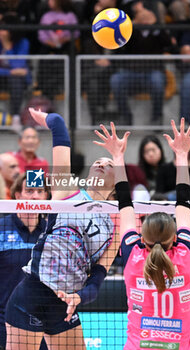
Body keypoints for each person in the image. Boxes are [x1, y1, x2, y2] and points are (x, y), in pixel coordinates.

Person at [5, 109, 128, 350]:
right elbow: (59, 130)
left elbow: (97, 279)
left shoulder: (114, 227)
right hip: (31, 295)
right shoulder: (67, 192)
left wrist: (79, 297)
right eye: (98, 161)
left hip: (65, 305)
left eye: (109, 164)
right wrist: (50, 119)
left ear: (117, 184)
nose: (100, 163)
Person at [94, 118, 190, 349]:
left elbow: (124, 201)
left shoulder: (134, 256)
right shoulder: (186, 255)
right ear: (176, 238)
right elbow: (184, 199)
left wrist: (118, 156)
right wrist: (182, 155)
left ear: (141, 238)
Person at [0, 173, 49, 350]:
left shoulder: (54, 232)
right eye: (29, 191)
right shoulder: (1, 228)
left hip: (44, 325)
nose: (34, 196)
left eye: (40, 191)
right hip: (4, 324)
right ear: (18, 196)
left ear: (46, 196)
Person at [110, 6, 173, 125]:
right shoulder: (131, 31)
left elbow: (169, 43)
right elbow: (120, 46)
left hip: (153, 71)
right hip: (131, 71)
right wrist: (130, 25)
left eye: (147, 16)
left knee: (158, 81)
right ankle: (125, 116)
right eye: (142, 16)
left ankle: (157, 117)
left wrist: (155, 25)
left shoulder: (157, 30)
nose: (145, 18)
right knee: (116, 80)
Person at [37, 0, 79, 100]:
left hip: (65, 45)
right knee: (44, 53)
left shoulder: (70, 16)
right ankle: (44, 88)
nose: (49, 2)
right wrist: (50, 42)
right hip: (49, 45)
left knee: (71, 50)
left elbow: (76, 33)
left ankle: (70, 86)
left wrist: (64, 39)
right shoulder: (46, 16)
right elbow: (41, 34)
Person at [0, 12, 31, 129]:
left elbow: (18, 64)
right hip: (3, 76)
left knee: (16, 80)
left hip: (16, 80)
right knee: (15, 75)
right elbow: (15, 69)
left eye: (3, 28)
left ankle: (16, 117)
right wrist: (9, 72)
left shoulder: (23, 42)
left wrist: (7, 45)